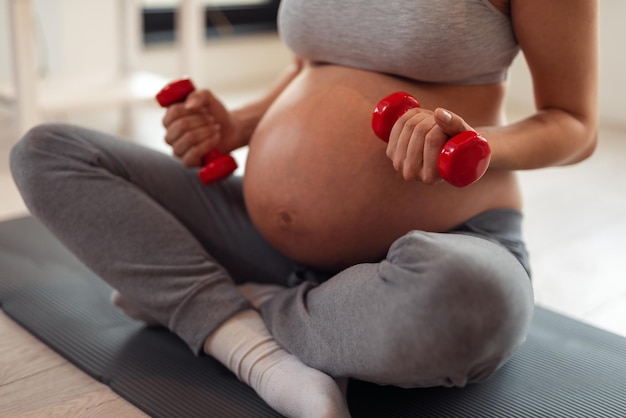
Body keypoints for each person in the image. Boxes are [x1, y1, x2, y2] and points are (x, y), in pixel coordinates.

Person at [10, 0, 597, 416]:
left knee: (473, 300)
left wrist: (479, 143)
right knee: (47, 153)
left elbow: (573, 124)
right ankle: (259, 348)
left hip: (444, 241)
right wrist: (236, 124)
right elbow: (311, 64)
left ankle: (215, 302)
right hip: (262, 235)